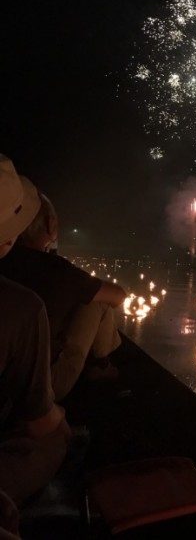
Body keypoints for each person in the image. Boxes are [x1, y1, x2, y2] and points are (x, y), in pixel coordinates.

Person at [0, 154, 70, 537]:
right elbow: (39, 422)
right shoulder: (20, 307)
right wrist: (59, 417)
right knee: (53, 436)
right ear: (7, 239)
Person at [0, 192, 127, 403]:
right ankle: (102, 365)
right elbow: (118, 296)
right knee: (98, 301)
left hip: (9, 379)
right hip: (40, 389)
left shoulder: (6, 259)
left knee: (87, 295)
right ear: (51, 225)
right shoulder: (56, 270)